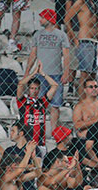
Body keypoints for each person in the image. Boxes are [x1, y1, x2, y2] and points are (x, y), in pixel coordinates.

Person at [26, 9, 71, 142]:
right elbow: (33, 54)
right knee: (38, 104)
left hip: (56, 75)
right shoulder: (37, 35)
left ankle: (54, 133)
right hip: (40, 75)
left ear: (50, 19)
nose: (40, 20)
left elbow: (66, 55)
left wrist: (66, 72)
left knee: (55, 106)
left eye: (43, 18)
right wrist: (27, 71)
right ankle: (38, 131)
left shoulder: (61, 35)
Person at [65, 0, 98, 87]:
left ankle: (88, 96)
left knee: (93, 75)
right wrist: (74, 38)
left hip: (96, 41)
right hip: (85, 40)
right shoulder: (80, 2)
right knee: (85, 75)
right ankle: (81, 96)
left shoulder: (97, 4)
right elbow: (67, 19)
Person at [16, 62, 59, 149]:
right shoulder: (23, 101)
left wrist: (43, 74)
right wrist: (33, 74)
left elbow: (55, 85)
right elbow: (20, 84)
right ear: (28, 89)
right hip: (25, 142)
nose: (34, 91)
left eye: (36, 88)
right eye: (32, 88)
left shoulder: (43, 101)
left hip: (40, 143)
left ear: (39, 90)